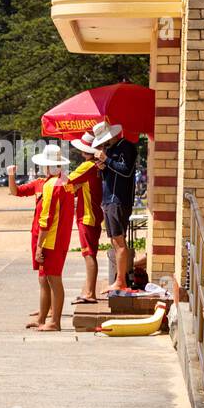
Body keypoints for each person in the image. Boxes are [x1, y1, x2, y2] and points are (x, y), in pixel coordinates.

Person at [8, 152, 74, 332]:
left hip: (50, 239)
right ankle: (43, 318)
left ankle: (54, 322)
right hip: (56, 237)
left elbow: (47, 218)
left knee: (53, 279)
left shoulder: (53, 185)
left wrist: (39, 246)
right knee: (45, 278)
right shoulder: (65, 182)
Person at [87, 120, 136, 293]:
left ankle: (120, 281)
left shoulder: (127, 147)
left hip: (118, 200)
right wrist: (103, 167)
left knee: (119, 242)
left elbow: (126, 170)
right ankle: (119, 279)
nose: (104, 142)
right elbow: (112, 174)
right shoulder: (112, 150)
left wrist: (106, 160)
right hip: (109, 200)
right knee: (115, 242)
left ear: (114, 134)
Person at [67, 130, 105, 305]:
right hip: (94, 214)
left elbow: (67, 183)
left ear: (84, 151)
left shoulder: (87, 166)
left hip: (87, 215)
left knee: (88, 254)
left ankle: (90, 292)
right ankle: (87, 290)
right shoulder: (96, 166)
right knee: (91, 253)